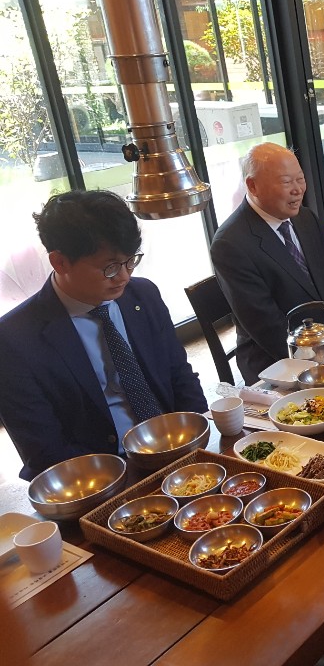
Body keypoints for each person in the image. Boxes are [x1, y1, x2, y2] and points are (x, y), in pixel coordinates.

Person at [0, 191, 207, 480]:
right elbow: (43, 447)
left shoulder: (143, 295)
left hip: (175, 446)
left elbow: (180, 375)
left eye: (130, 261)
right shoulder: (15, 339)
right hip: (97, 478)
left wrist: (199, 438)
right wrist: (123, 479)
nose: (124, 276)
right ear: (60, 262)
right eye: (110, 267)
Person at [211, 142, 324, 385]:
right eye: (286, 182)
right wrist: (321, 362)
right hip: (279, 363)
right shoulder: (231, 243)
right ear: (252, 186)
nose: (298, 190)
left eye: (300, 179)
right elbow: (266, 325)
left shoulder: (305, 217)